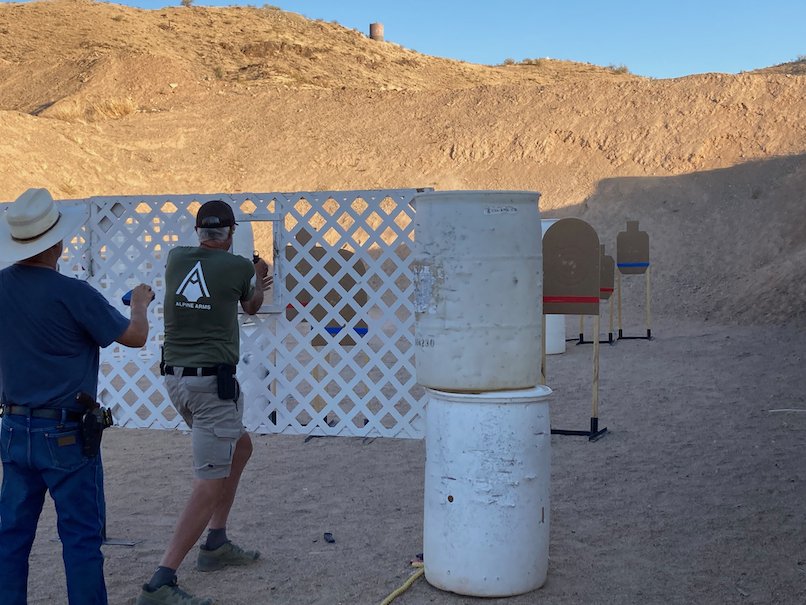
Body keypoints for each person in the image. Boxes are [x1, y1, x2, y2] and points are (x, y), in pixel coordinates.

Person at [0, 188, 155, 605]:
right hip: (65, 431)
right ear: (56, 243)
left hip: (14, 425)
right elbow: (135, 337)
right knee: (81, 539)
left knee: (11, 537)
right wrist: (140, 304)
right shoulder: (73, 293)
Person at [136, 200, 269, 605]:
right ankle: (161, 581)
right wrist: (259, 275)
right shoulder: (237, 267)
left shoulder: (177, 259)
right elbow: (251, 305)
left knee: (240, 447)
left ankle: (216, 542)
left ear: (199, 232)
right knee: (209, 483)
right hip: (212, 387)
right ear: (230, 234)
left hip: (178, 382)